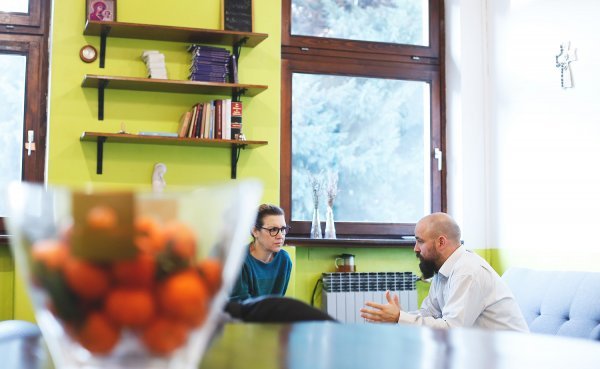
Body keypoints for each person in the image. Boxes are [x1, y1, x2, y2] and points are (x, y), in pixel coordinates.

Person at [360, 212, 528, 332]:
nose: (415, 248)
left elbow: (452, 330)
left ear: (441, 242)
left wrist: (399, 318)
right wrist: (398, 316)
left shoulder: (467, 272)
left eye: (420, 241)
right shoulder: (443, 271)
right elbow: (429, 313)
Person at [229, 204, 293, 302]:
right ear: (255, 231)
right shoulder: (239, 261)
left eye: (283, 229)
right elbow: (241, 308)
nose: (280, 236)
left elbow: (278, 302)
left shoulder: (284, 260)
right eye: (273, 229)